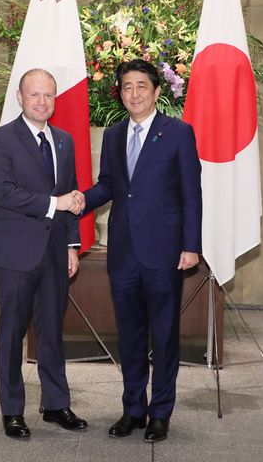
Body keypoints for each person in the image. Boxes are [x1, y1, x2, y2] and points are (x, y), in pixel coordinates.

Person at [76, 59, 202, 442]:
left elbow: (191, 194)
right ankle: (133, 408)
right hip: (124, 253)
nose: (134, 94)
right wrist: (81, 200)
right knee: (129, 335)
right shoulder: (114, 136)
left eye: (141, 86)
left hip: (164, 253)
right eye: (127, 87)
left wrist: (190, 246)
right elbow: (110, 186)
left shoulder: (178, 133)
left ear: (157, 91)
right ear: (120, 92)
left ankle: (160, 413)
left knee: (164, 334)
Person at [0, 68, 87, 438]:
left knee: (52, 331)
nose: (43, 102)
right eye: (35, 95)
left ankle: (56, 405)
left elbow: (72, 195)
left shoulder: (64, 141)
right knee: (11, 332)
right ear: (20, 98)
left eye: (49, 96)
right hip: (14, 253)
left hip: (56, 252)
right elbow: (4, 193)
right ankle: (12, 410)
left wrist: (73, 245)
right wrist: (54, 202)